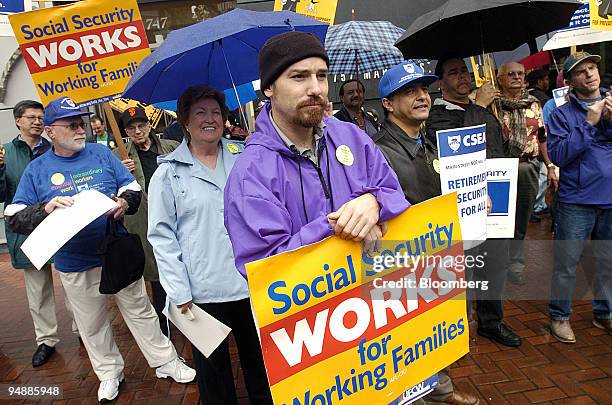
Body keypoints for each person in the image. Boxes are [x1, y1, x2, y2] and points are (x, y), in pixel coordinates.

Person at [3, 96, 195, 402]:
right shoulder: (37, 170)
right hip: (74, 262)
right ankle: (109, 373)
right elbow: (13, 216)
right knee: (91, 323)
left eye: (82, 123)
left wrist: (123, 203)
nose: (81, 129)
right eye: (72, 125)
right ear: (51, 132)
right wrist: (45, 208)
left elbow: (130, 188)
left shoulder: (101, 154)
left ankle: (165, 361)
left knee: (141, 311)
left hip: (116, 252)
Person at [224, 30, 408, 276]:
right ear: (269, 87)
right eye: (299, 77)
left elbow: (394, 192)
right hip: (315, 311)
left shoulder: (351, 137)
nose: (316, 89)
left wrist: (374, 202)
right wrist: (340, 226)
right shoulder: (251, 174)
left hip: (376, 298)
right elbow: (265, 270)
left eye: (321, 76)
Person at [148, 85, 273, 405]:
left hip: (250, 283)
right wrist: (178, 292)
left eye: (216, 112)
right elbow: (162, 237)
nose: (210, 119)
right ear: (185, 122)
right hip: (199, 293)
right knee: (213, 375)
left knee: (262, 367)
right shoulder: (168, 174)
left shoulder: (244, 156)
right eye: (200, 113)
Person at [374, 60, 481, 405]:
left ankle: (440, 390)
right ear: (388, 105)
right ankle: (415, 394)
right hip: (402, 263)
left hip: (439, 255)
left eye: (423, 89)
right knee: (409, 333)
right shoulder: (376, 152)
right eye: (409, 92)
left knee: (437, 327)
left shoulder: (432, 144)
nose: (422, 96)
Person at [425, 56, 522, 347]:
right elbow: (460, 146)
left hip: (495, 199)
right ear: (441, 83)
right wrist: (478, 106)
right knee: (464, 268)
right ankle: (458, 329)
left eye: (465, 71)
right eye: (453, 73)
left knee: (495, 264)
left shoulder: (485, 109)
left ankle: (492, 322)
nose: (463, 76)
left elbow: (496, 146)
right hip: (464, 205)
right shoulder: (437, 114)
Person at [0, 100, 78, 367]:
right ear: (18, 121)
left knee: (73, 283)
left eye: (40, 117)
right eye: (30, 117)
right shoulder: (6, 153)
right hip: (28, 232)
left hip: (62, 226)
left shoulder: (56, 148)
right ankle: (46, 341)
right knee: (38, 290)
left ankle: (83, 329)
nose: (36, 121)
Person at [547, 52, 612, 342]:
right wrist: (590, 122)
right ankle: (559, 316)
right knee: (567, 263)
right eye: (581, 71)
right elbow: (559, 155)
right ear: (570, 81)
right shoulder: (561, 114)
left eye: (592, 68)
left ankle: (604, 313)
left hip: (609, 197)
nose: (589, 74)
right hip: (577, 201)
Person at [114, 107, 179, 335]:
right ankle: (164, 321)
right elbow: (114, 191)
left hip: (175, 215)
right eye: (132, 128)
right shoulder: (120, 157)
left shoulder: (171, 148)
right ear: (126, 131)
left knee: (181, 263)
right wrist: (120, 173)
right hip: (144, 220)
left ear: (149, 126)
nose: (138, 131)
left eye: (141, 125)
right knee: (156, 272)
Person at [497, 61, 558, 285]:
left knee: (521, 218)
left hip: (529, 167)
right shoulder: (492, 106)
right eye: (510, 73)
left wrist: (549, 166)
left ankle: (515, 264)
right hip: (501, 168)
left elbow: (541, 137)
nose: (516, 77)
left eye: (520, 74)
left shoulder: (533, 104)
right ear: (500, 78)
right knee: (500, 220)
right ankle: (498, 263)